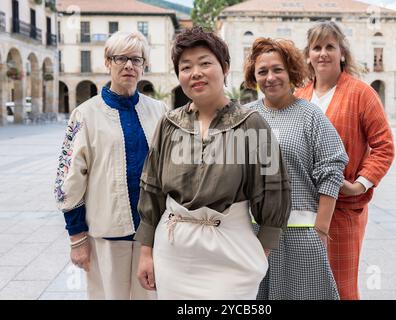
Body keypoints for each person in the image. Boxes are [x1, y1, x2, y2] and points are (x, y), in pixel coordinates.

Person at [134, 27, 291, 300]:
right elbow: (152, 189)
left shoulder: (251, 124)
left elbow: (273, 189)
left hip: (232, 255)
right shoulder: (169, 124)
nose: (195, 73)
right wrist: (146, 252)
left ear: (225, 67)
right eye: (186, 66)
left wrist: (261, 254)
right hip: (174, 254)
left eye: (205, 63)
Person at [54, 31, 167, 300]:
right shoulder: (85, 114)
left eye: (136, 59)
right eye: (120, 58)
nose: (129, 65)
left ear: (144, 65)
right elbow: (68, 178)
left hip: (151, 236)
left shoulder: (160, 111)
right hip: (106, 235)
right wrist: (77, 237)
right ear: (108, 62)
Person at [295, 21, 395, 300]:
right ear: (308, 55)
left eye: (330, 46)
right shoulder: (299, 96)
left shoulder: (361, 93)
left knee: (341, 287)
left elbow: (384, 146)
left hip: (342, 209)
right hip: (303, 208)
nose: (323, 53)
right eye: (317, 47)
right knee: (306, 285)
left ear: (342, 53)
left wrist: (361, 184)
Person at [244, 37, 348, 300]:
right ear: (254, 77)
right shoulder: (244, 117)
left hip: (300, 235)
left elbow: (332, 170)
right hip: (252, 236)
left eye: (277, 69)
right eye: (262, 71)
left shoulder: (310, 116)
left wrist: (321, 230)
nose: (270, 77)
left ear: (291, 70)